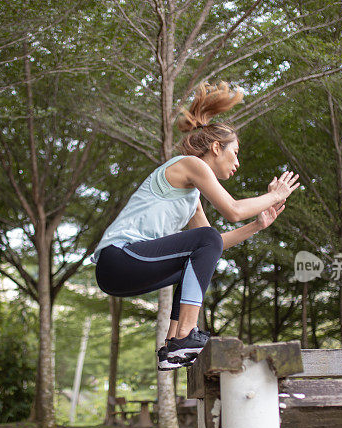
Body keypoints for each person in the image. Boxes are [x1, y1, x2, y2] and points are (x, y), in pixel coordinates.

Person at [91, 81, 300, 370]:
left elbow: (214, 245)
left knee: (199, 251)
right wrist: (274, 195)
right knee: (204, 241)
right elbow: (232, 211)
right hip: (119, 258)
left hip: (120, 273)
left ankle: (170, 348)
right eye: (235, 152)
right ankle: (185, 336)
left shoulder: (191, 196)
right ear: (216, 147)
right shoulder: (190, 164)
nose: (237, 161)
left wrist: (257, 226)